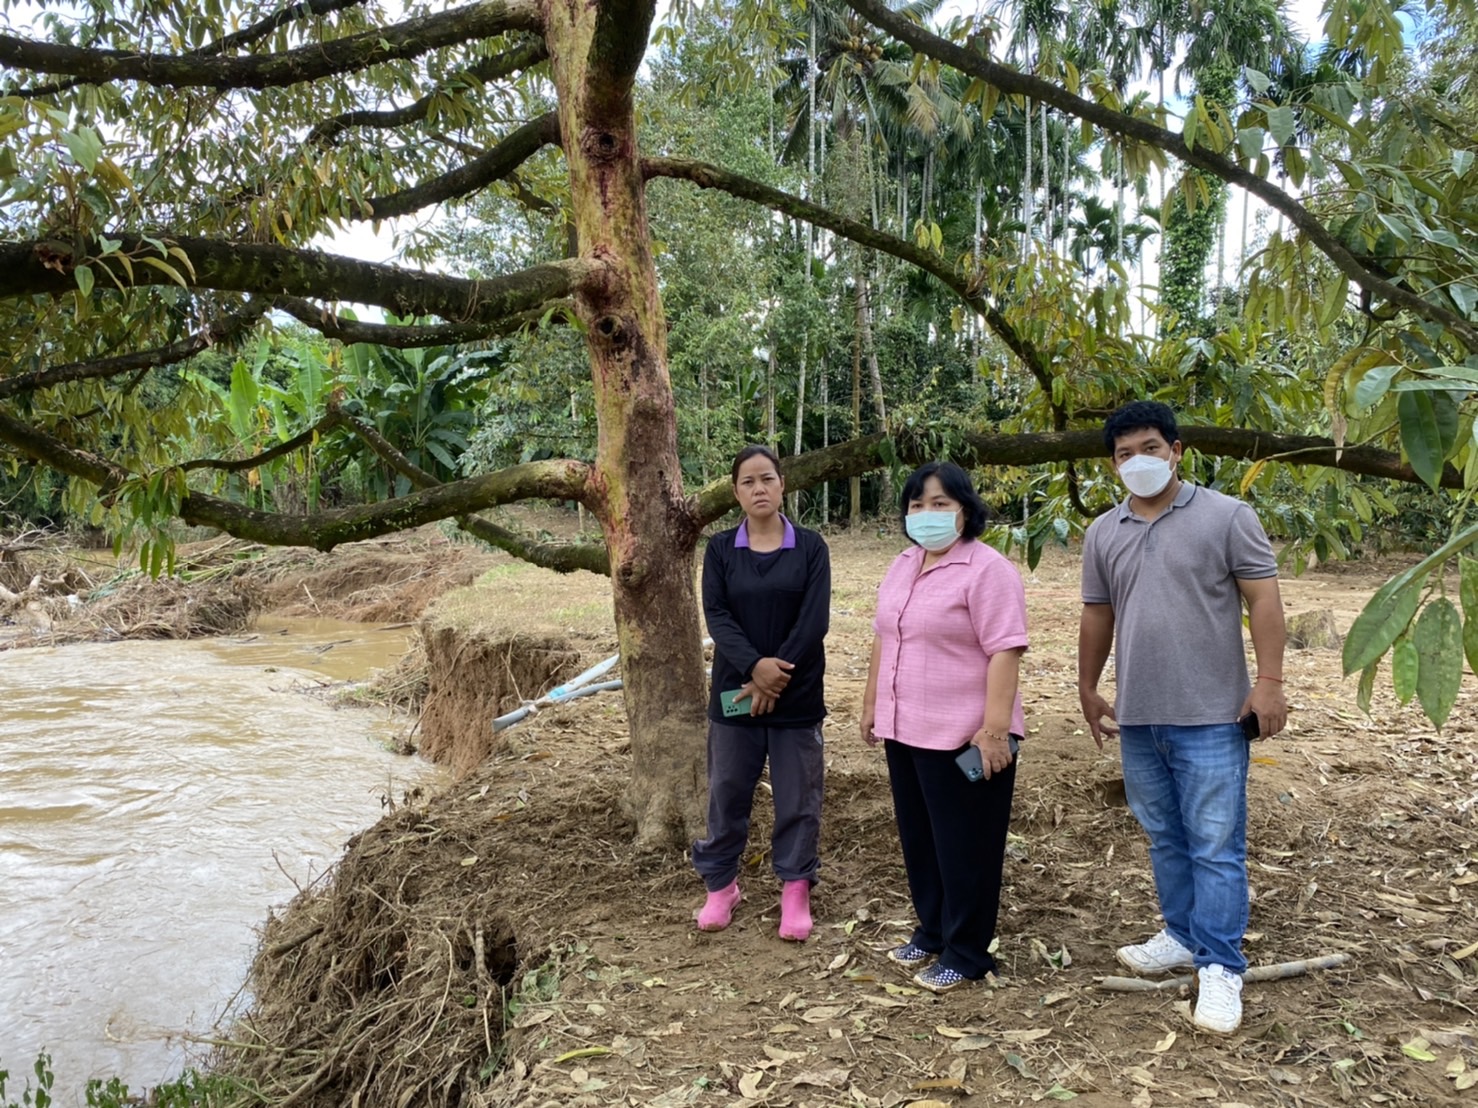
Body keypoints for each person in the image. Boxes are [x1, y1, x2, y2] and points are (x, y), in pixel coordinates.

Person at [1078, 400, 1288, 1035]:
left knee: (1216, 844)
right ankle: (1180, 933)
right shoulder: (1104, 532)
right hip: (1140, 715)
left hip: (1213, 714)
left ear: (1176, 451)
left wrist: (1270, 684)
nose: (1137, 461)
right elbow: (1097, 614)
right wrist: (1087, 686)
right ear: (1112, 465)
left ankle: (1221, 965)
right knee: (1165, 835)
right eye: (1124, 454)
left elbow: (1264, 599)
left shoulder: (1227, 517)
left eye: (1149, 448)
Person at [860, 461, 1027, 994]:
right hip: (906, 727)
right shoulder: (904, 563)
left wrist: (994, 731)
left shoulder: (987, 569)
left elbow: (1005, 649)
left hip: (964, 735)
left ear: (964, 510)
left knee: (966, 847)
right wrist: (872, 703)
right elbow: (885, 635)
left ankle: (967, 951)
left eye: (939, 503)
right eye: (917, 504)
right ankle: (932, 931)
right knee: (922, 839)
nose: (926, 514)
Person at [693, 445, 831, 942]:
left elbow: (813, 620)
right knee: (727, 790)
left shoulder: (811, 547)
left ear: (782, 484)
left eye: (767, 478)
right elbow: (717, 616)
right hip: (736, 692)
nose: (759, 489)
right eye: (748, 482)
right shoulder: (720, 550)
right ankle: (721, 885)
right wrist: (755, 668)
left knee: (798, 796)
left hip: (797, 692)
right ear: (736, 493)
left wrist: (775, 674)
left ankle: (795, 888)